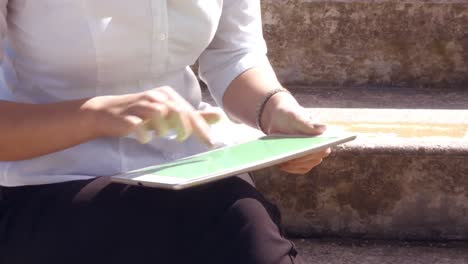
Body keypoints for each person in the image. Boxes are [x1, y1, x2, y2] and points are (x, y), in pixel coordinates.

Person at [0, 1, 330, 263]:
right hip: (48, 184)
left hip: (189, 171)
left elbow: (234, 54)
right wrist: (96, 115)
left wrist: (273, 107)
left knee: (243, 222)